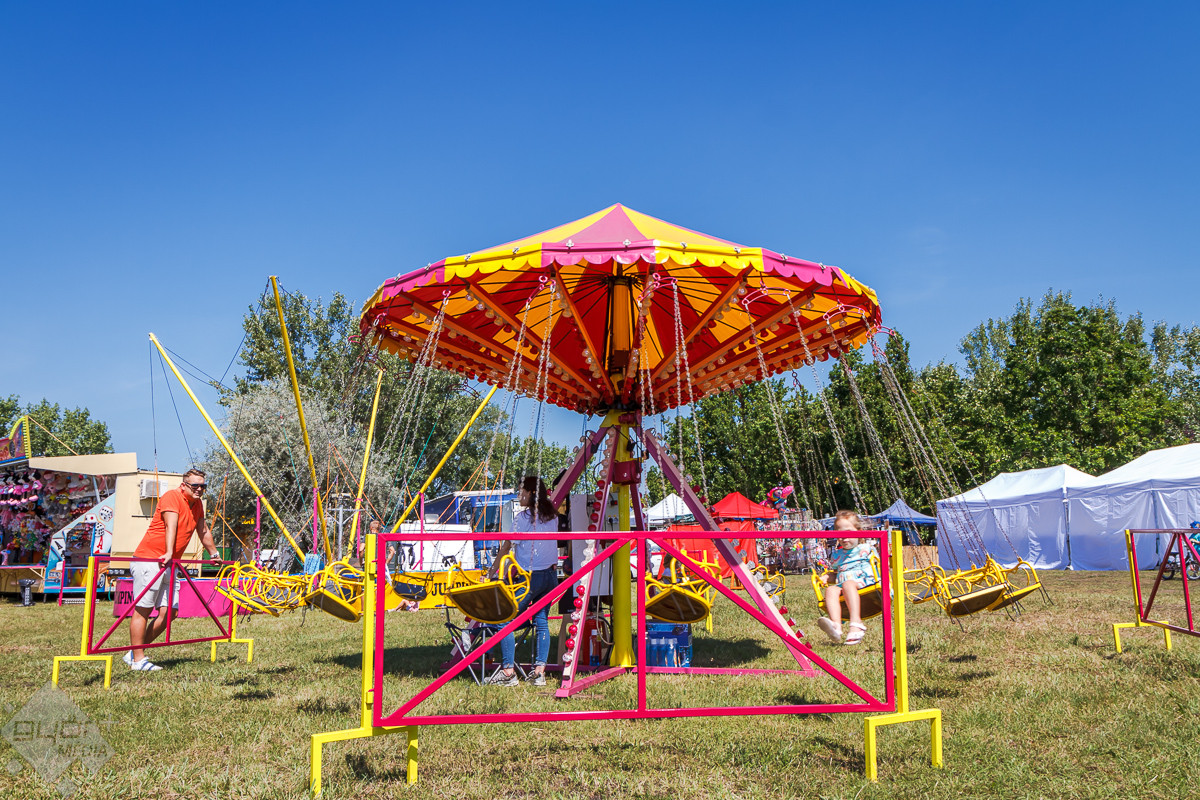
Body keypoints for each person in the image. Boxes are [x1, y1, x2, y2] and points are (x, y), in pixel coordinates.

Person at [125, 469, 220, 671]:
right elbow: (171, 526)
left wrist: (213, 553)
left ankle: (134, 652)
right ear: (184, 485)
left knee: (170, 612)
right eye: (195, 486)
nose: (200, 489)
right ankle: (138, 660)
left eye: (203, 486)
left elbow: (203, 530)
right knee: (143, 610)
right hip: (150, 559)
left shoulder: (197, 505)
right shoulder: (172, 497)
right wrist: (169, 552)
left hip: (169, 563)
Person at [485, 476, 559, 687]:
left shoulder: (523, 517)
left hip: (531, 578)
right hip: (550, 576)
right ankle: (539, 672)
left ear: (531, 493)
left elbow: (507, 546)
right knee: (541, 620)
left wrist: (492, 572)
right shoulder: (552, 516)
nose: (519, 496)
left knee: (504, 618)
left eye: (521, 492)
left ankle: (508, 672)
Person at [815, 510, 877, 646]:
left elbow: (880, 564)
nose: (844, 537)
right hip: (844, 586)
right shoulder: (837, 555)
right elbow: (837, 573)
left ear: (859, 532)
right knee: (831, 590)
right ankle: (836, 626)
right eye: (840, 534)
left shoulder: (865, 549)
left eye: (848, 532)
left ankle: (856, 624)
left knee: (848, 584)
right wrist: (827, 577)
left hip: (866, 583)